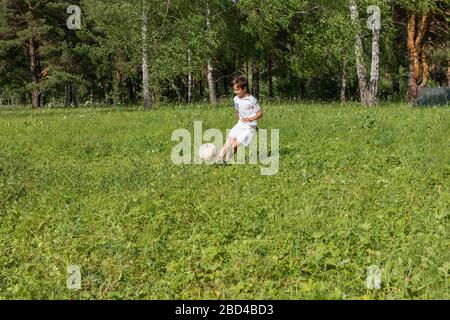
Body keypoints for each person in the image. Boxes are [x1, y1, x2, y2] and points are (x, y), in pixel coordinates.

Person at [216, 76, 263, 164]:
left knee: (234, 145)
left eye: (237, 90)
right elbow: (237, 111)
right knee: (229, 140)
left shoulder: (252, 100)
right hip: (240, 124)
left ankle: (227, 160)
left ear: (244, 89)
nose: (235, 92)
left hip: (250, 127)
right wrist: (239, 119)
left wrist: (250, 119)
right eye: (234, 90)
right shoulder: (236, 99)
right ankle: (220, 158)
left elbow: (260, 114)